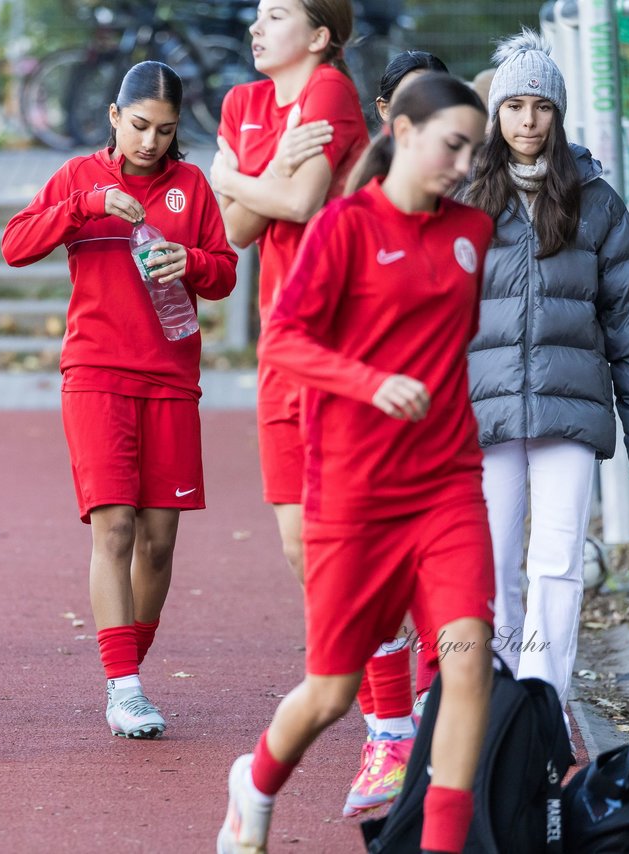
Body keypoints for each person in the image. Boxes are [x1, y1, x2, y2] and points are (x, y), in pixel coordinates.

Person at [218, 73, 495, 854]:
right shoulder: (342, 227)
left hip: (447, 490)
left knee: (468, 664)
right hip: (354, 497)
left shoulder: (474, 229)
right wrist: (373, 385)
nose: (464, 162)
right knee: (332, 692)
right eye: (452, 144)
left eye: (474, 150)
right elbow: (282, 342)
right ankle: (256, 783)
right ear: (402, 132)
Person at [3, 61, 237, 739]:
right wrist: (87, 206)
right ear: (114, 116)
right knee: (115, 528)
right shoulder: (79, 178)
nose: (150, 142)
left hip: (169, 377)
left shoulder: (191, 186)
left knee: (159, 545)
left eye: (165, 131)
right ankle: (126, 687)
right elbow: (15, 246)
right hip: (95, 373)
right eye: (139, 126)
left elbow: (223, 273)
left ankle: (127, 669)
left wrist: (187, 262)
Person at [464, 30, 629, 711]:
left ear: (559, 115)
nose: (528, 120)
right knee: (490, 566)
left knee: (556, 566)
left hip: (570, 414)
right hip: (481, 416)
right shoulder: (462, 199)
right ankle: (494, 702)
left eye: (542, 107)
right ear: (496, 114)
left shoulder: (596, 202)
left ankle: (543, 705)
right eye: (515, 106)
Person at [211, 0, 368, 589]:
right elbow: (235, 233)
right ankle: (363, 657)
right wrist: (273, 172)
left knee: (341, 531)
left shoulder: (328, 91)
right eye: (258, 15)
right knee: (297, 540)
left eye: (276, 15)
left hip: (339, 339)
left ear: (319, 35)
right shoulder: (241, 103)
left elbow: (300, 203)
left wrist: (228, 179)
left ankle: (384, 672)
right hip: (281, 344)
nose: (257, 26)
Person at [338, 47, 454, 819]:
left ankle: (437, 727)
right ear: (386, 116)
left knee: (449, 596)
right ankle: (387, 734)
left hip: (454, 431)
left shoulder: (471, 202)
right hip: (372, 434)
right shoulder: (351, 209)